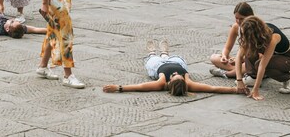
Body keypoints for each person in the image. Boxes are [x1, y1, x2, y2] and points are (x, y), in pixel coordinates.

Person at [103, 39, 246, 96]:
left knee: (152, 61)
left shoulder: (161, 83)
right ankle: (165, 53)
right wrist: (235, 90)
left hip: (158, 67)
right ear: (184, 80)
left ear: (170, 81)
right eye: (179, 76)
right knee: (176, 59)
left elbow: (139, 86)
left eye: (174, 76)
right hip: (178, 62)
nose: (176, 74)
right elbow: (213, 89)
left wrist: (118, 87)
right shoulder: (189, 83)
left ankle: (152, 53)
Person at [235, 16, 290, 98]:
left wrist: (255, 91)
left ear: (255, 34)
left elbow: (262, 65)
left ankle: (288, 78)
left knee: (260, 65)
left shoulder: (273, 37)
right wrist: (239, 80)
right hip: (275, 55)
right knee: (249, 49)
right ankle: (253, 77)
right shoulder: (253, 31)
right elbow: (239, 56)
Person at [210, 2, 257, 78]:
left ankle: (228, 73)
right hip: (242, 60)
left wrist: (240, 59)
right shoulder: (236, 27)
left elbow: (256, 55)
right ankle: (240, 71)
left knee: (250, 65)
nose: (238, 21)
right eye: (236, 18)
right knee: (214, 57)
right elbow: (227, 48)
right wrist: (224, 56)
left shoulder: (256, 28)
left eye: (241, 18)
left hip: (252, 60)